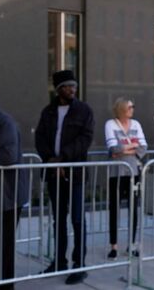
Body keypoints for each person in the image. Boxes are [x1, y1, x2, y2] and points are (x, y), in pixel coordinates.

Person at [35, 70, 94, 284]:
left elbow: (85, 139)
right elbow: (40, 138)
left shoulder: (83, 110)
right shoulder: (48, 112)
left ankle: (80, 265)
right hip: (54, 173)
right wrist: (51, 159)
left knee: (77, 219)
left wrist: (63, 159)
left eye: (74, 86)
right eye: (68, 86)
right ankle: (59, 260)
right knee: (58, 219)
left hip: (74, 173)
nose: (72, 89)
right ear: (59, 89)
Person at [0, 93, 29, 290]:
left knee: (2, 245)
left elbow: (9, 155)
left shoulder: (4, 122)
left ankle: (3, 286)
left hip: (8, 195)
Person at [104, 98, 147, 260]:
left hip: (133, 171)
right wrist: (131, 147)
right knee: (114, 208)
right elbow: (112, 148)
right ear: (122, 108)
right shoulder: (110, 124)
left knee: (133, 208)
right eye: (130, 107)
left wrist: (122, 150)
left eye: (133, 106)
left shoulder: (136, 124)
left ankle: (132, 244)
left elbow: (143, 148)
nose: (132, 109)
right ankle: (113, 246)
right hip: (116, 171)